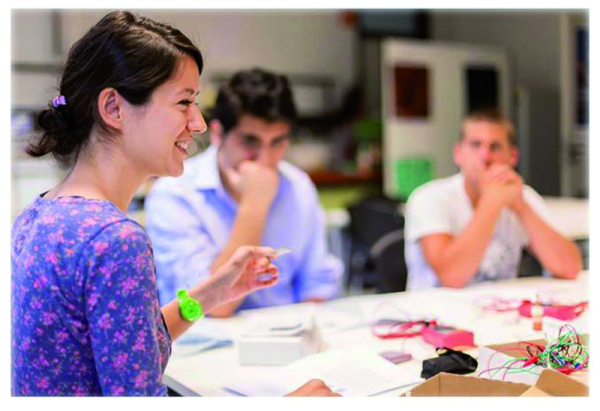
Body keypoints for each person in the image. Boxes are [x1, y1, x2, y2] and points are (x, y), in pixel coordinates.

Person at [11, 11, 339, 397]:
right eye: (184, 102)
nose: (198, 123)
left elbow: (130, 347)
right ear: (114, 108)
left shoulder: (38, 213)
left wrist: (209, 294)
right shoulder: (114, 239)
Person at [145, 68, 343, 317]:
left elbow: (317, 286)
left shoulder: (297, 185)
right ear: (217, 133)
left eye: (277, 142)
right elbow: (210, 307)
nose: (265, 159)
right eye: (250, 141)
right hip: (207, 336)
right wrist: (254, 205)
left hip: (286, 331)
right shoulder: (174, 194)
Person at [404, 109, 582, 291]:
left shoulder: (520, 194)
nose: (485, 157)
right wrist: (492, 202)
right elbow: (451, 277)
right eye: (475, 145)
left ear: (512, 156)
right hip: (435, 308)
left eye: (495, 147)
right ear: (458, 153)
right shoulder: (429, 197)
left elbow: (570, 268)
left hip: (498, 307)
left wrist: (521, 206)